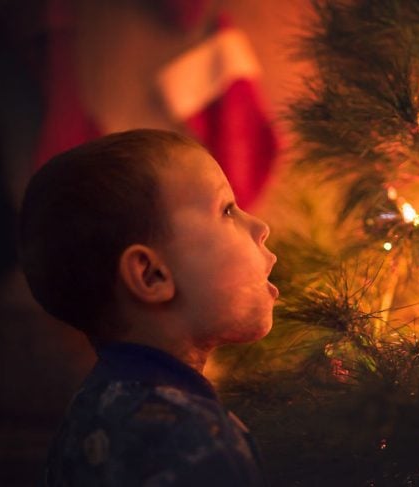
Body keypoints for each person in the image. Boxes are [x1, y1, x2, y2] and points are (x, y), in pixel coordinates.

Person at [19, 129, 278, 486]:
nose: (262, 227)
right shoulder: (196, 441)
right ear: (151, 275)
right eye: (227, 209)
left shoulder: (88, 411)